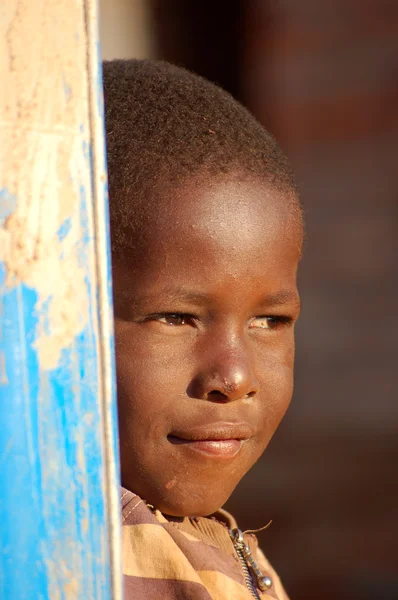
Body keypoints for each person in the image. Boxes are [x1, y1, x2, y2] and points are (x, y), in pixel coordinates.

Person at [103, 58, 302, 600]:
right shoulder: (82, 552)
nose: (234, 377)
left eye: (270, 320)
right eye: (176, 317)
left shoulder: (216, 549)